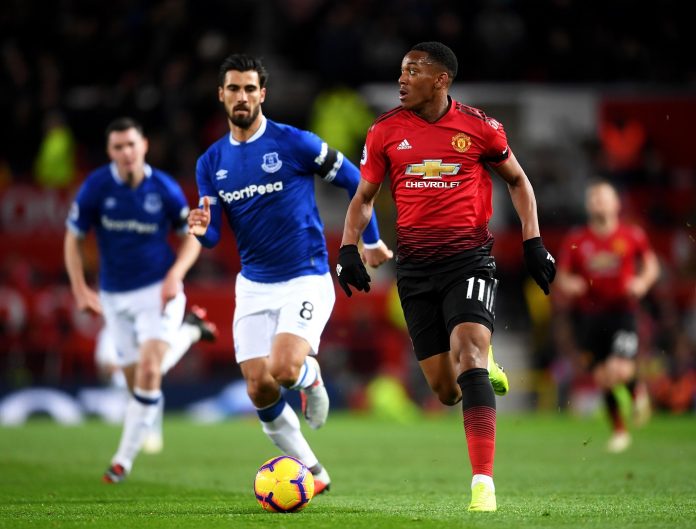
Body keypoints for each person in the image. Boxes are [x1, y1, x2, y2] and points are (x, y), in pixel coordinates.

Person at [335, 41, 556, 512]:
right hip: (414, 270)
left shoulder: (480, 128)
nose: (401, 79)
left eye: (412, 71)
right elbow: (365, 196)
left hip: (468, 261)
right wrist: (347, 248)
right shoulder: (384, 132)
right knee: (445, 388)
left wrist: (533, 241)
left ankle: (483, 483)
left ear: (441, 80)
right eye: (400, 70)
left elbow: (517, 180)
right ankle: (483, 364)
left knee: (470, 353)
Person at [187, 54, 393, 495]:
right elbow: (213, 232)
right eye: (233, 89)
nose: (241, 97)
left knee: (283, 369)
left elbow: (356, 179)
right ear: (221, 95)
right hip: (254, 285)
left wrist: (368, 239)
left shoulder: (294, 142)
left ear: (262, 94)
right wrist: (202, 232)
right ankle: (313, 473)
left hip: (306, 276)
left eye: (249, 89)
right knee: (258, 387)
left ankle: (310, 377)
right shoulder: (210, 162)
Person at [64, 117, 218, 483]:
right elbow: (72, 238)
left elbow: (192, 236)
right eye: (118, 147)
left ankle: (122, 461)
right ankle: (191, 333)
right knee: (137, 386)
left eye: (131, 144)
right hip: (114, 295)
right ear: (110, 152)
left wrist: (174, 276)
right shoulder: (97, 187)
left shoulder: (163, 188)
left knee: (149, 372)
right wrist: (80, 288)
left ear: (144, 145)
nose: (126, 152)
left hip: (157, 290)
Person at [555, 179, 658, 452]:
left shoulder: (631, 235)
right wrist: (570, 284)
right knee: (602, 376)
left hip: (623, 312)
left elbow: (651, 265)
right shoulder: (577, 239)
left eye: (604, 197)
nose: (598, 202)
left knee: (618, 369)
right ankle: (620, 431)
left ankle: (636, 392)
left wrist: (642, 283)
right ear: (588, 205)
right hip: (590, 317)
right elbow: (562, 275)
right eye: (594, 198)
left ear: (616, 204)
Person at [93, 305, 217, 454]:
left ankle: (151, 434)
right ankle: (189, 332)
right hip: (118, 388)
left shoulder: (143, 328)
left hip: (133, 383)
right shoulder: (110, 332)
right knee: (142, 384)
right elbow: (108, 367)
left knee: (151, 384)